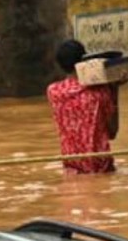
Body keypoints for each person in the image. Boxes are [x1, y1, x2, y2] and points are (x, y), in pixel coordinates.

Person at [46, 39, 120, 174]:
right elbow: (112, 132)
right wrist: (114, 91)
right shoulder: (100, 92)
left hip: (72, 168)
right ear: (83, 61)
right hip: (101, 167)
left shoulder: (53, 92)